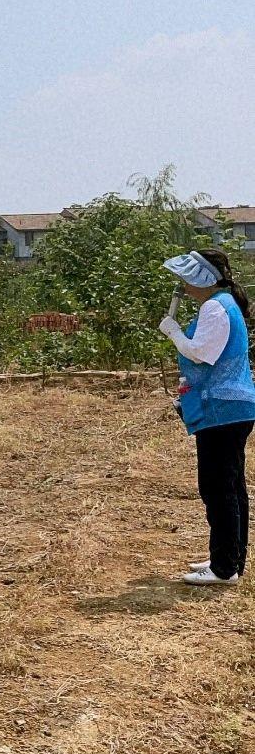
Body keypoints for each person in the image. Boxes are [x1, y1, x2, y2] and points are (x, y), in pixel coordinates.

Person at [157, 250, 255, 586]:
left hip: (223, 409)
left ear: (202, 279)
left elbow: (201, 351)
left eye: (187, 278)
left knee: (217, 487)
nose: (182, 285)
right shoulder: (222, 304)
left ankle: (224, 568)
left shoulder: (216, 306)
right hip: (232, 408)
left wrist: (173, 332)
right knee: (230, 486)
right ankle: (229, 558)